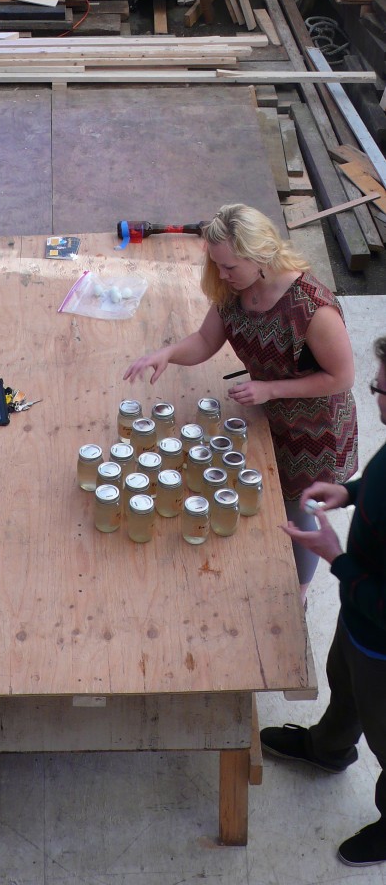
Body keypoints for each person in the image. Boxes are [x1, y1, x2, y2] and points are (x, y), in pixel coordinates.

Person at [123, 204, 358, 601]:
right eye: (216, 264)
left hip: (314, 433)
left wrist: (270, 389)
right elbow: (204, 341)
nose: (222, 274)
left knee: (300, 511)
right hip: (270, 419)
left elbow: (341, 377)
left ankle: (298, 586)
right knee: (264, 497)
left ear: (261, 255)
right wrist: (166, 354)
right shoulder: (233, 289)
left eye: (230, 266)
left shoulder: (312, 309)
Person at [260, 336, 386, 867]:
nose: (377, 398)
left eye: (382, 389)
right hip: (359, 622)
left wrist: (338, 560)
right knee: (344, 685)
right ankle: (328, 749)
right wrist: (351, 492)